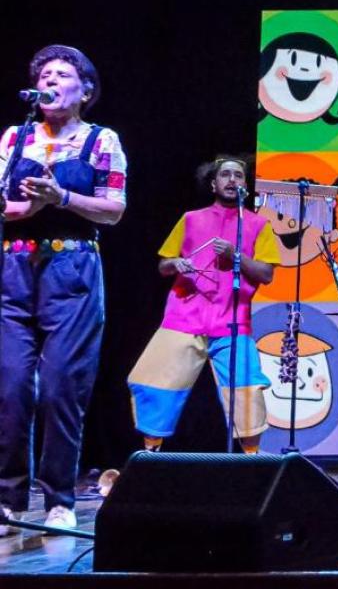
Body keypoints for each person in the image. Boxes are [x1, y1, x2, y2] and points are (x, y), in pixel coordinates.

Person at [0, 45, 127, 534]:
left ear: (85, 91)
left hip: (72, 268)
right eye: (44, 75)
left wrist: (62, 198)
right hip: (15, 266)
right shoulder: (16, 137)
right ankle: (9, 498)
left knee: (59, 390)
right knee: (11, 387)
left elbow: (114, 209)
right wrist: (24, 212)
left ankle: (59, 497)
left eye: (62, 75)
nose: (50, 82)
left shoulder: (101, 141)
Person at [125, 156, 280, 455]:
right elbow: (163, 266)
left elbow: (267, 274)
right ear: (213, 184)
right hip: (184, 317)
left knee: (247, 392)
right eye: (225, 175)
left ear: (246, 186)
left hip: (233, 322)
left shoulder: (259, 225)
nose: (232, 180)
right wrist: (176, 264)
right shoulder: (191, 219)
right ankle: (150, 455)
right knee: (154, 382)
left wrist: (236, 256)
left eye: (238, 175)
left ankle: (252, 461)